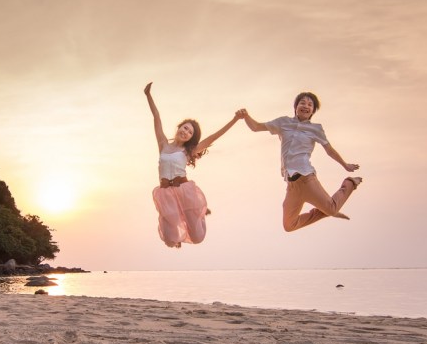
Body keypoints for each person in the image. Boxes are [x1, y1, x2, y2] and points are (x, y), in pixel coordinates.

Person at [239, 92, 361, 232]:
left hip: (307, 179)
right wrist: (246, 116)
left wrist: (345, 165)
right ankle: (327, 211)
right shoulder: (283, 123)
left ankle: (351, 182)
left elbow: (329, 150)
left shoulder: (316, 129)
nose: (306, 106)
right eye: (302, 103)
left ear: (313, 111)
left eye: (310, 105)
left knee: (332, 209)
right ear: (296, 107)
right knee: (289, 226)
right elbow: (255, 127)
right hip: (292, 186)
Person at [145, 82, 243, 247]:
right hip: (165, 193)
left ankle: (200, 210)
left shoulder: (188, 151)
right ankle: (188, 220)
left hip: (184, 191)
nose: (186, 132)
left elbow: (213, 137)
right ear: (179, 127)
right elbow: (157, 117)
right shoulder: (163, 144)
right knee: (169, 240)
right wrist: (148, 95)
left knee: (197, 238)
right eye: (185, 128)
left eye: (190, 132)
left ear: (191, 138)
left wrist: (235, 119)